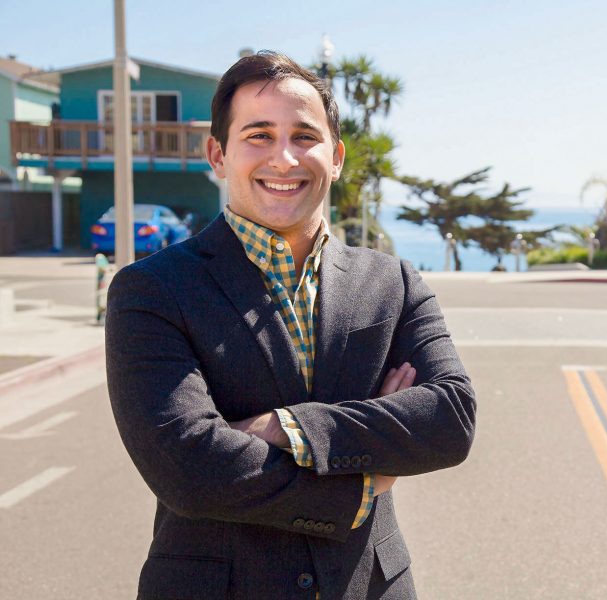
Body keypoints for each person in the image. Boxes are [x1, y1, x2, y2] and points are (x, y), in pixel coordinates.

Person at [105, 50, 476, 600]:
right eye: (258, 134)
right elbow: (187, 468)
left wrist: (286, 427)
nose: (284, 158)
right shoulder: (151, 290)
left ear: (337, 156)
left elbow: (450, 418)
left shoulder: (393, 283)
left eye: (304, 135)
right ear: (218, 154)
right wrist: (366, 476)